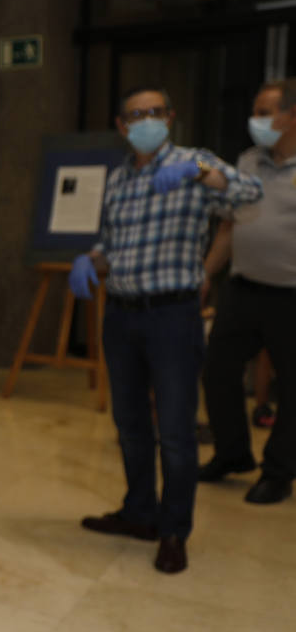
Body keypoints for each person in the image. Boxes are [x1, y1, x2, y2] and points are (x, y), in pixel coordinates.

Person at [70, 86, 262, 574]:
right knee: (131, 424)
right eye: (136, 115)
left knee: (175, 431)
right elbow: (111, 244)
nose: (146, 121)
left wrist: (199, 172)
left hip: (172, 316)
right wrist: (91, 260)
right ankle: (139, 512)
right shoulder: (118, 178)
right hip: (122, 315)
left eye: (154, 112)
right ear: (122, 126)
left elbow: (250, 193)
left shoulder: (193, 163)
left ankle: (174, 530)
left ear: (170, 117)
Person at [199, 78, 296, 504]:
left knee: (291, 388)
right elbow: (228, 226)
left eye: (264, 112)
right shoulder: (247, 161)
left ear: (293, 116)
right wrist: (205, 275)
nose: (255, 120)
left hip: (291, 295)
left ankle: (279, 472)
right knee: (217, 370)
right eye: (255, 111)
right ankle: (232, 453)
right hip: (242, 288)